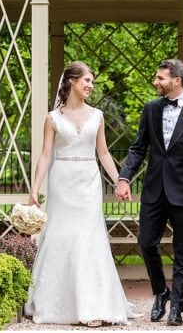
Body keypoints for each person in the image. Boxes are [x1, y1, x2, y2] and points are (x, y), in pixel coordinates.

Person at [24, 61, 140, 327]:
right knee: (61, 237)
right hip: (62, 182)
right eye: (86, 80)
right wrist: (34, 191)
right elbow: (45, 155)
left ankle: (93, 305)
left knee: (89, 238)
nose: (90, 86)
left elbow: (104, 153)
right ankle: (58, 303)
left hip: (88, 182)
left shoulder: (97, 116)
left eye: (92, 82)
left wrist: (120, 181)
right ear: (71, 82)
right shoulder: (52, 118)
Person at [116, 58, 183, 326]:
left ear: (177, 80)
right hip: (154, 190)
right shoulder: (150, 109)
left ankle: (177, 309)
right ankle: (161, 291)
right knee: (145, 243)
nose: (155, 82)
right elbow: (138, 148)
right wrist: (124, 177)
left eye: (160, 78)